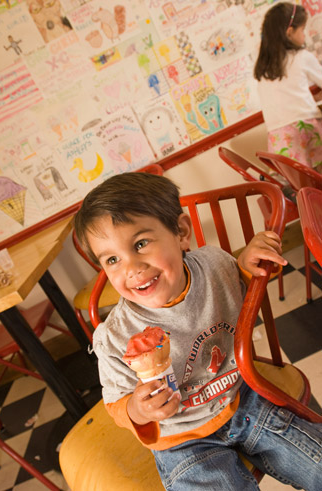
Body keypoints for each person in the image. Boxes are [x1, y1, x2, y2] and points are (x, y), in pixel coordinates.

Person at [74, 172, 322, 490]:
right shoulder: (114, 338)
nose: (131, 268)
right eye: (112, 259)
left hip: (242, 399)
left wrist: (248, 263)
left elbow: (239, 287)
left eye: (140, 244)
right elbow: (116, 403)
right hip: (180, 441)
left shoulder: (216, 265)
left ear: (180, 232)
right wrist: (137, 408)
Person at [254, 2, 322, 173]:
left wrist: (310, 98)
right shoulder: (301, 57)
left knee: (304, 186)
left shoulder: (263, 67)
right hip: (305, 129)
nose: (304, 35)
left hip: (278, 138)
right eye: (302, 30)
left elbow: (287, 96)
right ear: (289, 32)